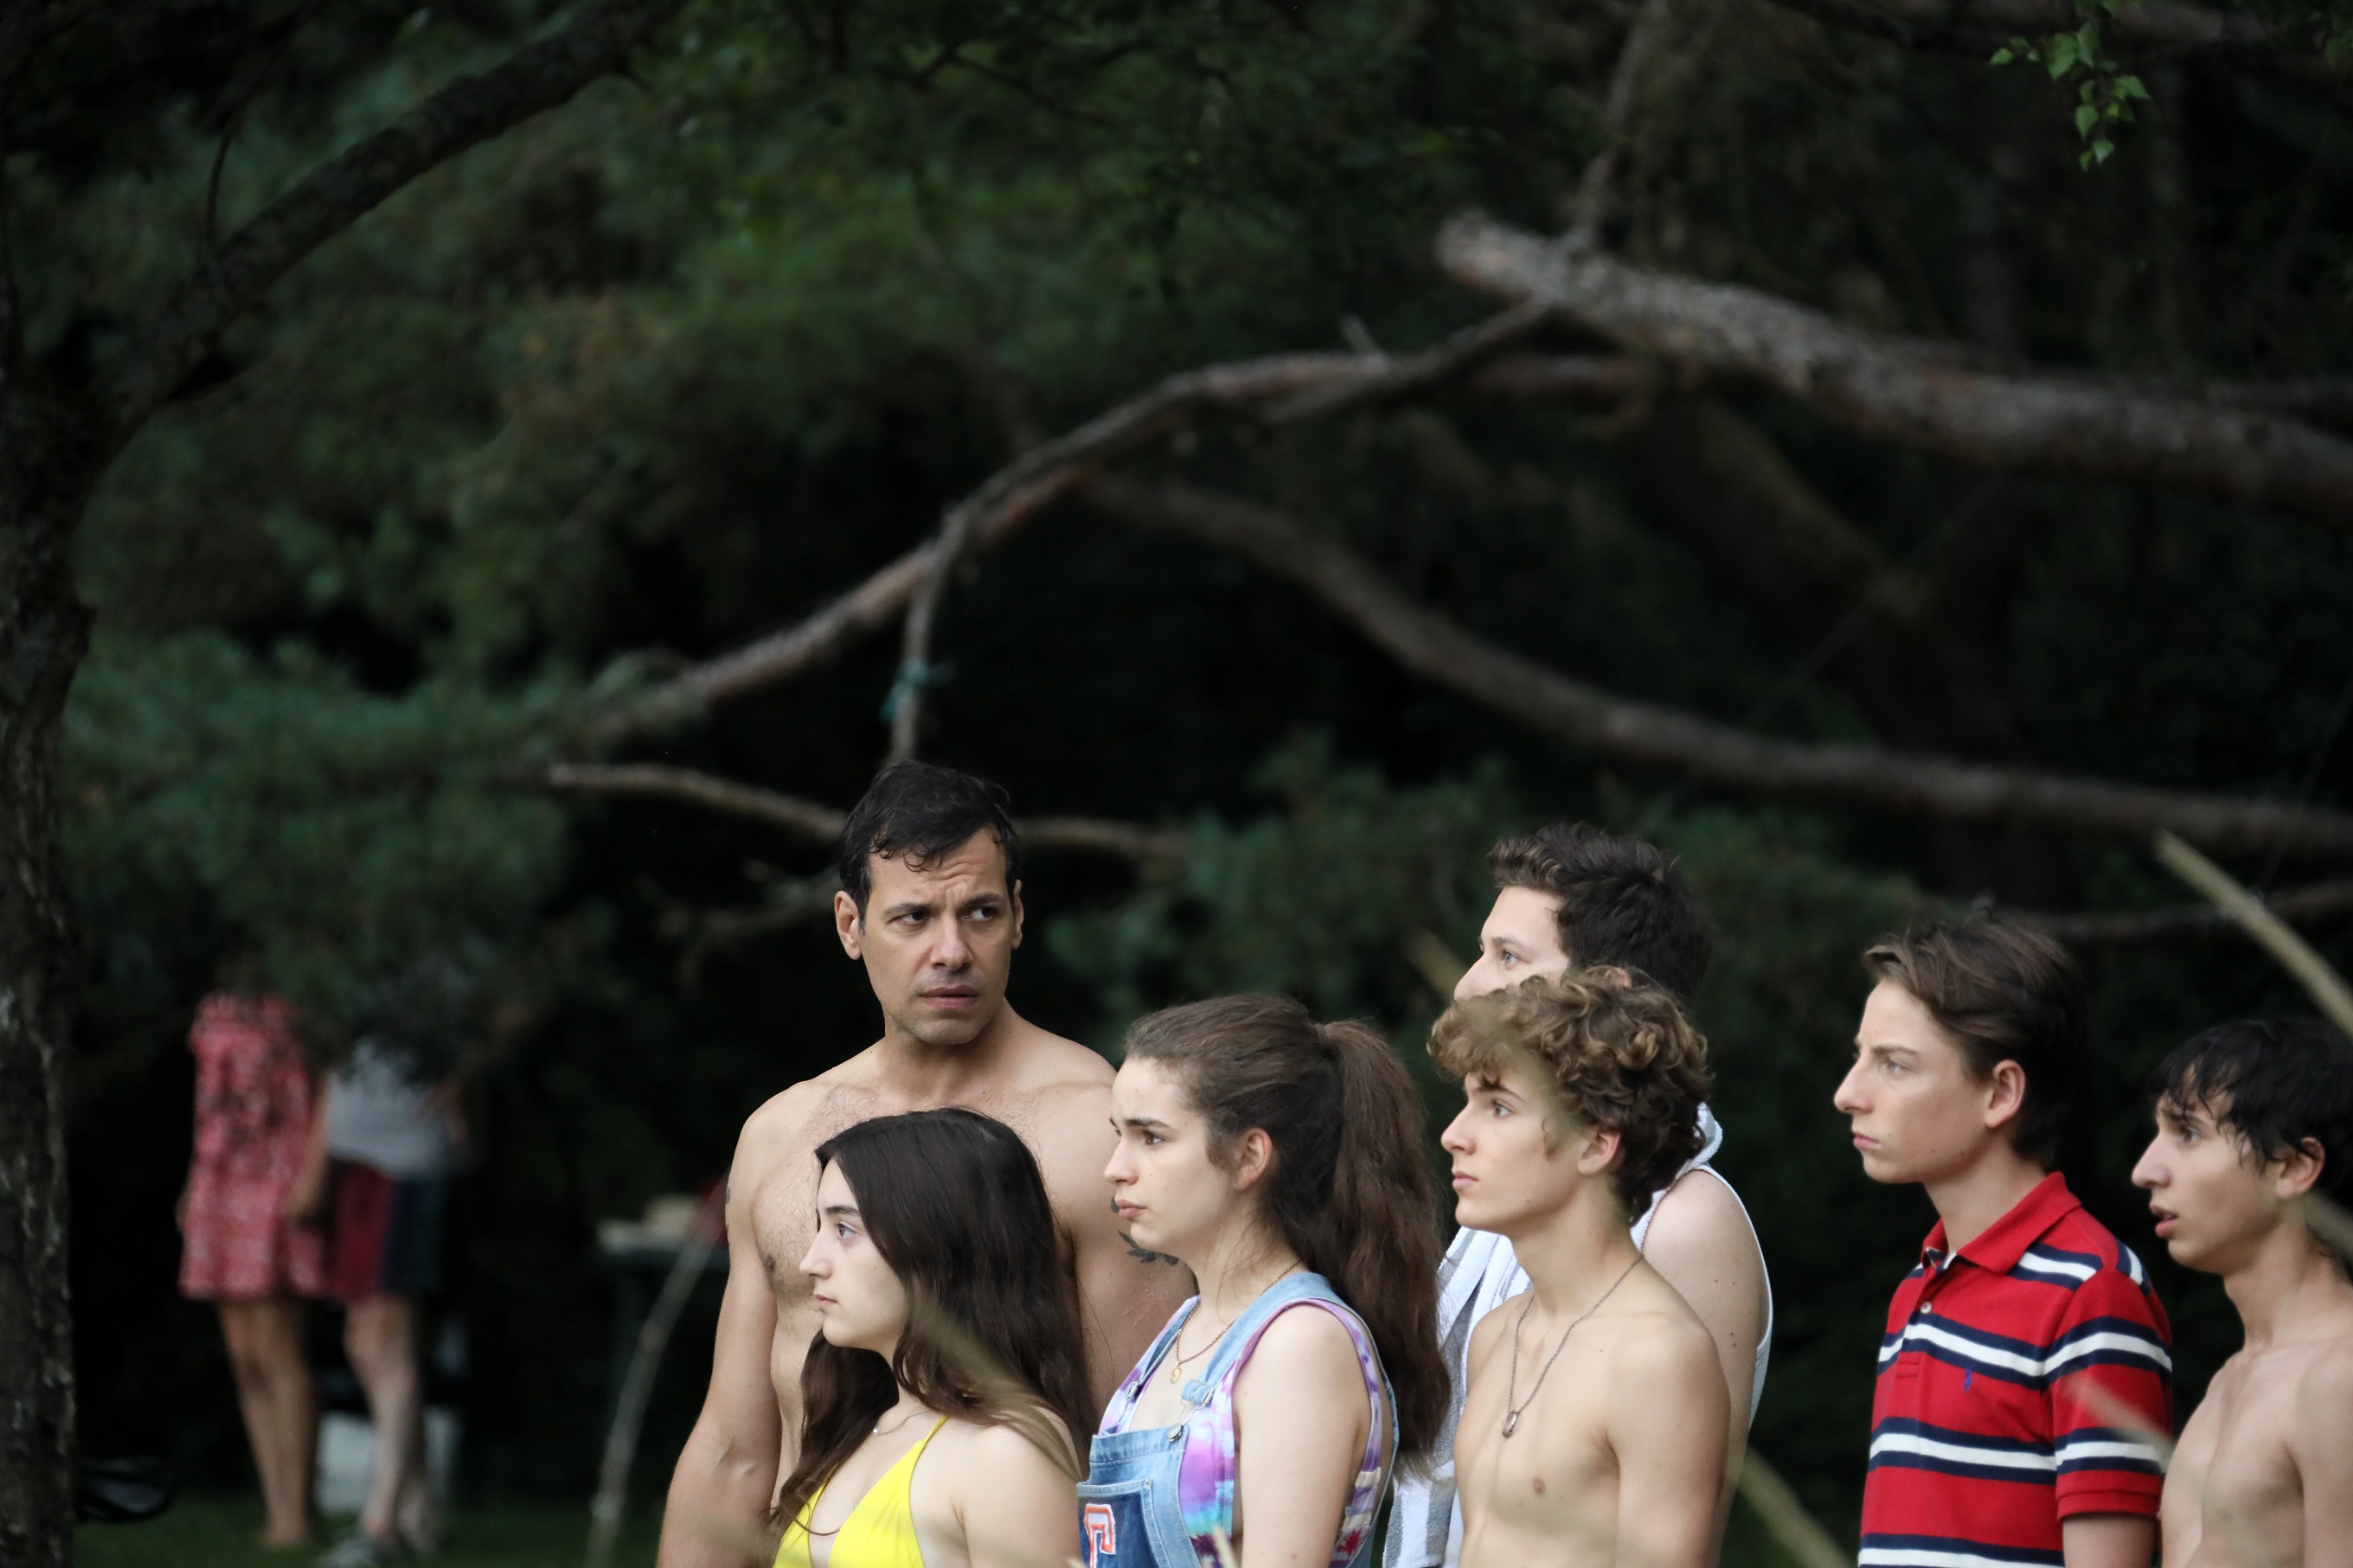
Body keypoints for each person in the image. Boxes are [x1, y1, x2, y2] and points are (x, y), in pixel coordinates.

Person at [663, 762, 1191, 1568]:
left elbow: (1140, 1442)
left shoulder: (1097, 1132)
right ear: (850, 924)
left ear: (1018, 916)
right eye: (913, 917)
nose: (952, 950)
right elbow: (734, 1449)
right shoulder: (781, 1135)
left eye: (980, 912)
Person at [1387, 822, 1772, 1568]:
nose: (1469, 984)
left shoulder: (1685, 1220)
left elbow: (1683, 1523)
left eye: (1508, 957)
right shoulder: (1509, 1244)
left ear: (1612, 992)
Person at [1835, 920, 2172, 1568]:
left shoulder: (2093, 1293)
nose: (1847, 1094)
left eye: (1893, 1065)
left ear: (2001, 1092)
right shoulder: (1917, 1287)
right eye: (1860, 1057)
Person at [1089, 994, 1446, 1568]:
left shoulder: (1300, 1343)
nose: (1115, 1168)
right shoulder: (1190, 1321)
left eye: (1150, 1137)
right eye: (1118, 1134)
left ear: (1248, 1156)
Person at [1434, 973, 1729, 1568]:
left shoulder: (1659, 1355)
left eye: (1498, 1106)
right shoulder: (1497, 1333)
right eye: (1467, 1103)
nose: (1453, 1135)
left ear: (1596, 1143)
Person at [773, 1108, 1092, 1568]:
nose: (810, 1262)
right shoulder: (860, 1423)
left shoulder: (1006, 1450)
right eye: (820, 1227)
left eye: (844, 1229)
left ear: (938, 1241)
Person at [2131, 1018, 2353, 1568]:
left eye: (2188, 1134)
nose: (2144, 1170)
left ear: (2294, 1166)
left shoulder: (2341, 1378)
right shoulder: (2231, 1378)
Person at [305, 1037, 465, 1568]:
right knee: (364, 1339)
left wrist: (464, 1077)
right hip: (359, 1162)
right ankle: (419, 1511)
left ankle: (380, 1523)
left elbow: (516, 1004)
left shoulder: (430, 989)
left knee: (386, 1341)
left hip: (406, 1161)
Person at [178, 989, 328, 1547]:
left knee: (278, 1350)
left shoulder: (307, 1000)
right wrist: (194, 1183)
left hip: (276, 1175)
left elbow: (328, 1092)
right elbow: (209, 1106)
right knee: (244, 1358)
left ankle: (299, 1512)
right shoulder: (216, 1007)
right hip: (220, 1176)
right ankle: (276, 1506)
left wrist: (314, 1175)